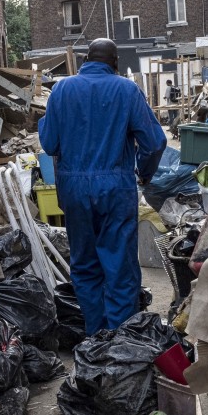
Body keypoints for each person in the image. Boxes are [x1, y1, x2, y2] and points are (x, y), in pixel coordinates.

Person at [39, 39, 166, 335]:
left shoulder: (61, 89)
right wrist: (145, 174)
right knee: (120, 267)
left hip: (74, 189)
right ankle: (121, 343)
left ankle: (96, 338)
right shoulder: (127, 90)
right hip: (115, 189)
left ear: (85, 59)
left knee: (84, 266)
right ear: (115, 64)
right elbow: (155, 142)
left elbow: (49, 144)